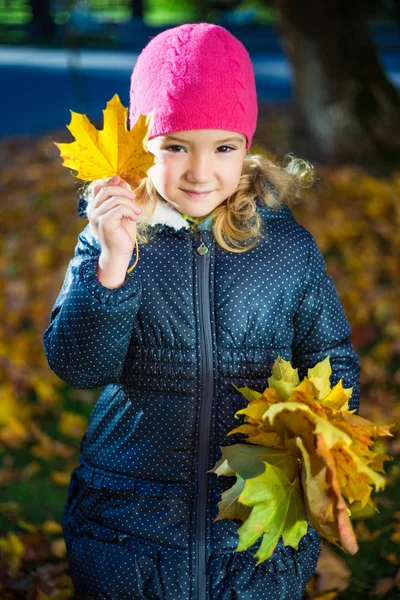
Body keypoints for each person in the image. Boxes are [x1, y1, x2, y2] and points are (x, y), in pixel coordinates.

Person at [43, 22, 361, 600]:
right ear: (143, 148)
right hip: (129, 521)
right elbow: (78, 367)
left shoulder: (287, 249)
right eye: (175, 146)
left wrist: (321, 440)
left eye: (223, 147)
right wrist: (112, 264)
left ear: (247, 147)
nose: (199, 171)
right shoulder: (112, 240)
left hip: (251, 521)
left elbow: (329, 352)